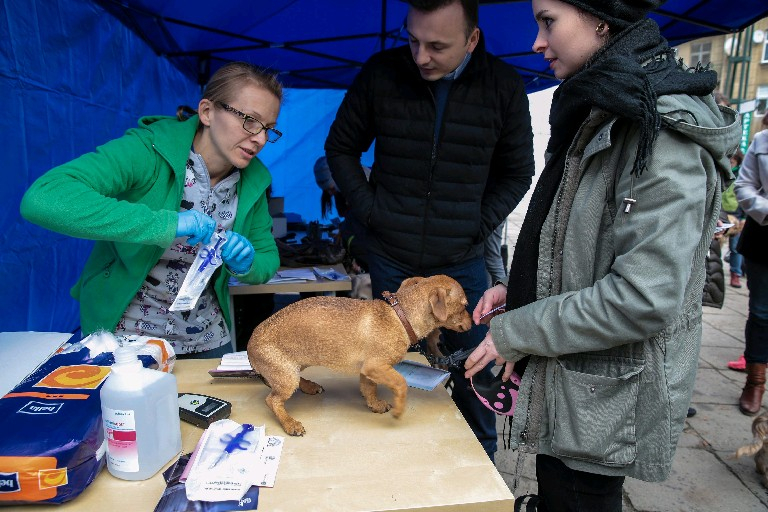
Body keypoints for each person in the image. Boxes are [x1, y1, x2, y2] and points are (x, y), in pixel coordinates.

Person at [463, 0, 740, 508]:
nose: (536, 43)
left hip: (599, 400)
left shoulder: (660, 131)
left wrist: (516, 331)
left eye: (548, 21)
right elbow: (583, 244)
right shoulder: (602, 105)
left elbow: (641, 297)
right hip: (576, 385)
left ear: (601, 19)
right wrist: (523, 290)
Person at [324, 0, 535, 459]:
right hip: (393, 258)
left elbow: (519, 172)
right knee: (395, 363)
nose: (421, 56)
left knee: (475, 370)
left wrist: (476, 225)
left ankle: (481, 460)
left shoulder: (503, 86)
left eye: (437, 45)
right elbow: (340, 148)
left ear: (472, 39)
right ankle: (407, 464)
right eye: (413, 40)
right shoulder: (381, 73)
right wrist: (371, 213)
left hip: (462, 261)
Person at [20, 62, 283, 359]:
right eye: (250, 120)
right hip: (125, 338)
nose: (260, 139)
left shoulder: (254, 180)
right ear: (207, 111)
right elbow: (44, 197)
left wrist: (245, 264)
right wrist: (166, 224)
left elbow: (266, 260)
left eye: (269, 129)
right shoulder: (148, 150)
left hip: (208, 337)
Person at [734, 114, 768, 415]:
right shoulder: (762, 140)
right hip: (765, 235)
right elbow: (743, 186)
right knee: (760, 312)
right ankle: (756, 381)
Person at [313, 155, 371, 273]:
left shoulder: (362, 181)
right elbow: (346, 214)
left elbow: (363, 219)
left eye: (332, 188)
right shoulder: (341, 186)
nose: (331, 193)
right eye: (327, 190)